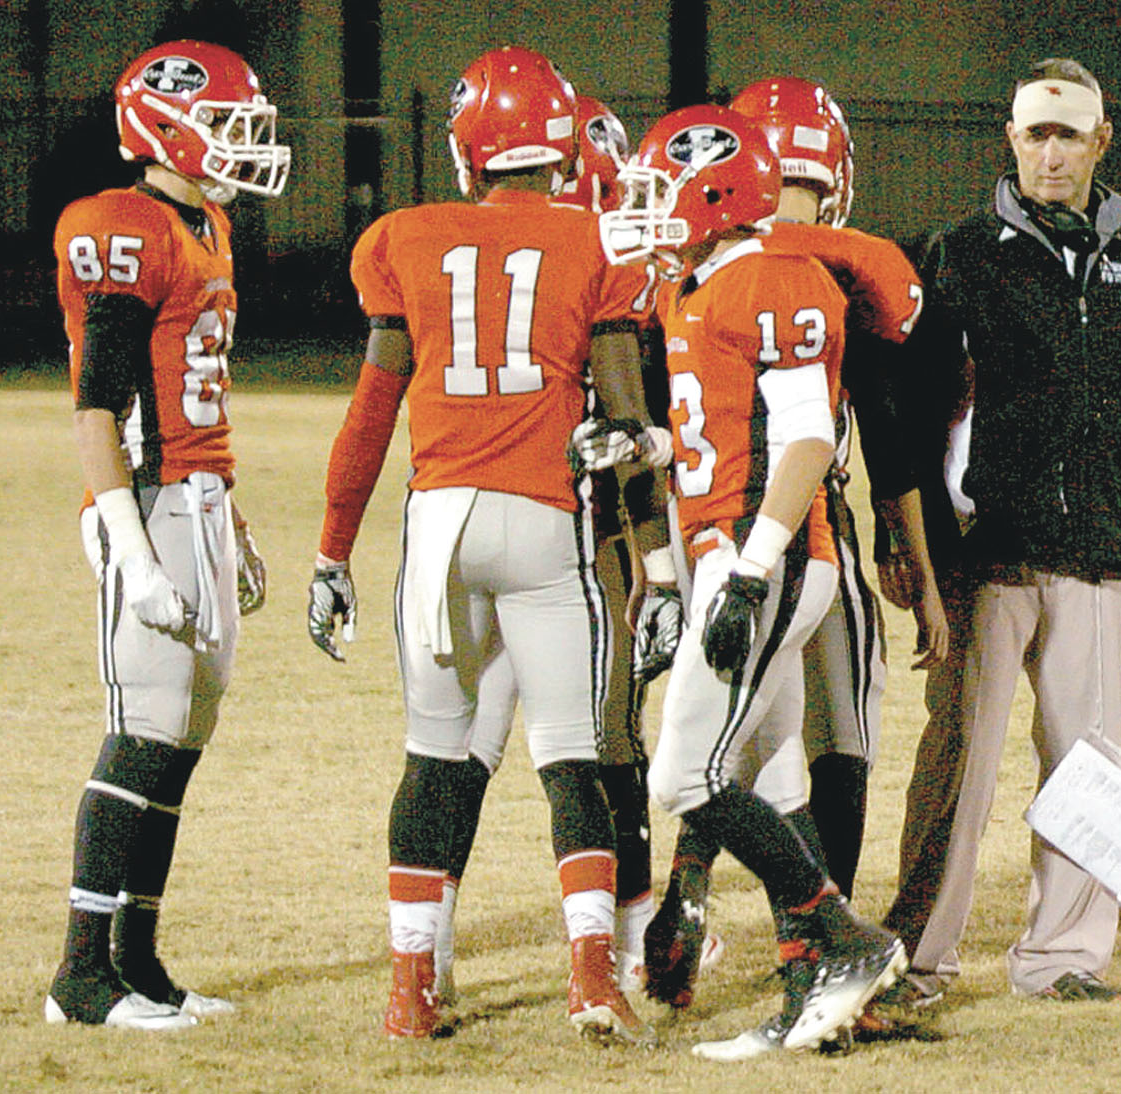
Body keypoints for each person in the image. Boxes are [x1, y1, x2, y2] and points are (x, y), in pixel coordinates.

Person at [305, 45, 665, 1044]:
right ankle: (593, 979)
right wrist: (658, 561)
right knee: (570, 758)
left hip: (438, 528)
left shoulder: (404, 237)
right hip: (545, 519)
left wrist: (333, 552)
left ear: (468, 145)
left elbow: (370, 415)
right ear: (560, 147)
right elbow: (627, 417)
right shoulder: (599, 244)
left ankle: (411, 987)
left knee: (434, 756)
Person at [871, 57, 1121, 1012]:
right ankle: (921, 956)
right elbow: (917, 412)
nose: (1050, 152)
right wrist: (918, 549)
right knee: (960, 769)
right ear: (1011, 141)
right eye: (1034, 135)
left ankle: (1062, 956)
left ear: (1103, 143)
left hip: (1098, 551)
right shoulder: (963, 252)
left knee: (1086, 770)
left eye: (1068, 135)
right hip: (990, 552)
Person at [597, 102, 906, 1059]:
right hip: (736, 554)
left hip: (763, 559)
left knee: (684, 774)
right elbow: (726, 427)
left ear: (715, 189)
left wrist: (750, 570)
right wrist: (643, 442)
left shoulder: (774, 275)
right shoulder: (702, 285)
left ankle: (846, 940)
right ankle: (810, 974)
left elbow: (808, 435)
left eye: (658, 191)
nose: (644, 212)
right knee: (767, 780)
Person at [46, 39, 288, 1029]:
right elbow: (98, 405)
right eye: (227, 123)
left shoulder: (207, 223)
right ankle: (80, 973)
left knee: (181, 737)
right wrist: (133, 550)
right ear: (166, 123)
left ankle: (136, 957)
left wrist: (224, 514)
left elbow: (192, 391)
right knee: (141, 733)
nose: (240, 144)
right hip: (140, 503)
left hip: (194, 496)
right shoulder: (124, 224)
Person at [420, 93, 665, 1002]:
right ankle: (629, 948)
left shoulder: (502, 253)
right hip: (578, 538)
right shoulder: (597, 265)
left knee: (466, 749)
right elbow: (634, 430)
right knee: (601, 747)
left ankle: (427, 954)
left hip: (480, 524)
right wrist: (664, 564)